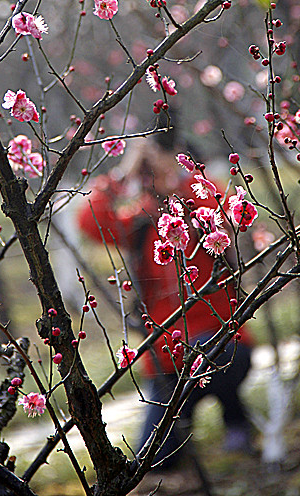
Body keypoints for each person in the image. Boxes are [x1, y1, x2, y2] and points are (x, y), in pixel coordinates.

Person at [77, 128, 253, 468]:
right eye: (149, 172)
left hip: (223, 342)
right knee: (155, 459)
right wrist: (123, 172)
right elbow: (90, 221)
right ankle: (183, 446)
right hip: (167, 363)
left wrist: (178, 179)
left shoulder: (198, 207)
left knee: (217, 360)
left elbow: (228, 209)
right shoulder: (141, 224)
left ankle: (236, 419)